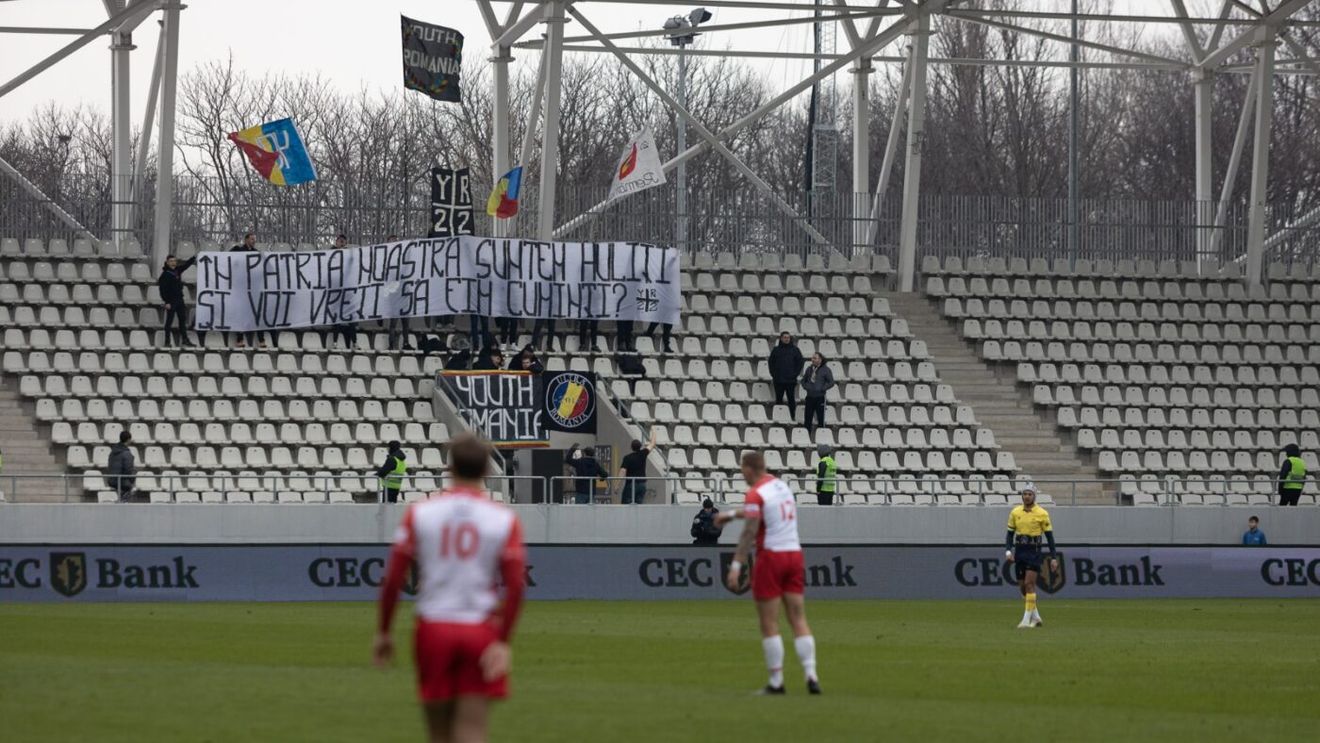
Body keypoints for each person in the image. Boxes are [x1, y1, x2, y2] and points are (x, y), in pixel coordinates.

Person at [374, 433, 526, 743]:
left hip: (434, 627)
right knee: (473, 730)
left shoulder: (421, 512)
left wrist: (385, 631)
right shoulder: (502, 518)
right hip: (479, 629)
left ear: (450, 468)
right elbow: (516, 586)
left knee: (438, 733)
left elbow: (392, 579)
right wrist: (503, 641)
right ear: (486, 470)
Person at [715, 451, 821, 695]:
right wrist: (730, 515)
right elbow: (758, 511)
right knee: (798, 618)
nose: (742, 473)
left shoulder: (755, 493)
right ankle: (811, 675)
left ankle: (776, 682)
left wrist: (735, 565)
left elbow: (750, 531)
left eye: (742, 468)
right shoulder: (780, 486)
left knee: (769, 622)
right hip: (794, 555)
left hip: (771, 557)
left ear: (750, 468)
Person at [1005, 483, 1058, 629]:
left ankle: (1025, 621)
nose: (1027, 497)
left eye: (1029, 494)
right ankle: (1036, 617)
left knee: (1029, 584)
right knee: (1023, 588)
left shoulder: (1042, 513)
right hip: (1020, 550)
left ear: (1034, 496)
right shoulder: (1015, 512)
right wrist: (1008, 550)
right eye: (1025, 494)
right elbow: (1010, 534)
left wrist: (1053, 557)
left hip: (1034, 551)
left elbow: (1050, 537)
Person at [227, 233, 271, 349]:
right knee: (241, 313)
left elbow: (267, 265)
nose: (254, 241)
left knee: (257, 313)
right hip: (241, 286)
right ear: (246, 239)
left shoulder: (257, 253)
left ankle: (261, 340)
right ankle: (239, 339)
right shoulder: (237, 250)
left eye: (254, 239)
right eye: (252, 239)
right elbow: (226, 259)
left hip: (254, 287)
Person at [157, 253, 198, 347]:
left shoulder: (177, 271)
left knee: (182, 320)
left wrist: (193, 258)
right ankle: (167, 342)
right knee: (169, 322)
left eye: (174, 261)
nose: (173, 263)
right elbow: (162, 290)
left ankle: (185, 340)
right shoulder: (165, 275)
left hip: (180, 299)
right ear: (167, 262)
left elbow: (186, 266)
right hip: (171, 301)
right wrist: (166, 302)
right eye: (171, 261)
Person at [383, 235, 415, 351]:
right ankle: (391, 344)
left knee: (405, 323)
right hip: (394, 295)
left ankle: (406, 343)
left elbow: (409, 261)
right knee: (393, 323)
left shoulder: (401, 256)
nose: (394, 243)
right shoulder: (386, 257)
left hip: (404, 293)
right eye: (391, 241)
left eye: (395, 241)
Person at [328, 234, 359, 350]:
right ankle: (335, 342)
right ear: (336, 242)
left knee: (351, 318)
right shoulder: (331, 253)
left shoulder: (348, 254)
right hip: (336, 292)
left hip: (347, 292)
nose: (341, 243)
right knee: (337, 318)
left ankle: (355, 343)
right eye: (339, 241)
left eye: (343, 242)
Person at [767, 332, 804, 421]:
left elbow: (800, 363)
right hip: (778, 380)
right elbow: (771, 363)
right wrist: (774, 374)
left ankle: (792, 416)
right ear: (781, 338)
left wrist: (795, 374)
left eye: (788, 337)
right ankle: (779, 416)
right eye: (784, 337)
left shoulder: (795, 350)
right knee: (779, 399)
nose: (786, 339)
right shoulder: (776, 350)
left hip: (790, 381)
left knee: (791, 399)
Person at [617, 430, 658, 505]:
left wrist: (617, 485)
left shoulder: (627, 458)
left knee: (626, 504)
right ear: (640, 447)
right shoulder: (643, 454)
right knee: (639, 505)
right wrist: (654, 432)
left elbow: (622, 471)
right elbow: (652, 444)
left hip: (631, 484)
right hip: (642, 484)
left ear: (631, 447)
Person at [800, 352, 835, 434]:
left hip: (820, 398)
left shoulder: (826, 370)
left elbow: (831, 382)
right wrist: (806, 387)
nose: (813, 360)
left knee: (821, 419)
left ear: (820, 359)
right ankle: (806, 436)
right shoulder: (809, 369)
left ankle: (821, 437)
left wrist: (823, 388)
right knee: (808, 418)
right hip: (809, 397)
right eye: (812, 358)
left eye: (815, 358)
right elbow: (803, 380)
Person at [106, 431, 136, 502]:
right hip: (120, 481)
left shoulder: (112, 452)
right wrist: (132, 481)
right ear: (128, 440)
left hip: (111, 480)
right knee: (130, 487)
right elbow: (128, 470)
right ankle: (123, 503)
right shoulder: (126, 453)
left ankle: (121, 500)